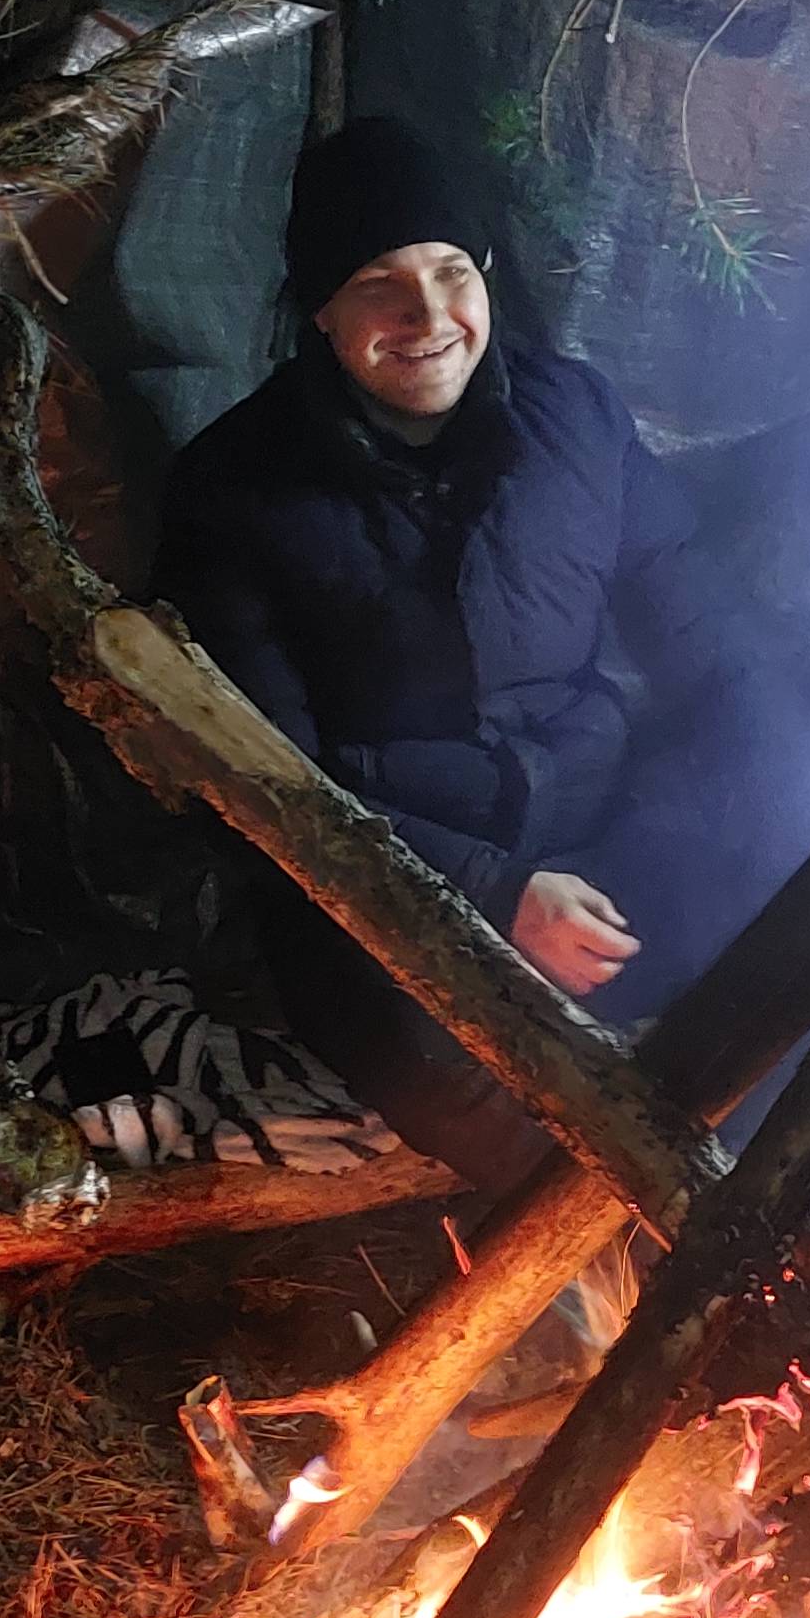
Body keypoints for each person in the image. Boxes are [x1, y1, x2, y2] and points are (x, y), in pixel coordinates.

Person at [151, 117, 698, 1187]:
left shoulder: (573, 418)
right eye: (377, 284)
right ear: (318, 309)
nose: (429, 317)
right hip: (382, 887)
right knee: (480, 1089)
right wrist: (496, 897)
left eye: (453, 271)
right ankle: (610, 1295)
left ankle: (789, 1265)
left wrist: (780, 790)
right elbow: (272, 783)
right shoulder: (232, 488)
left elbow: (701, 636)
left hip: (595, 838)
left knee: (774, 949)